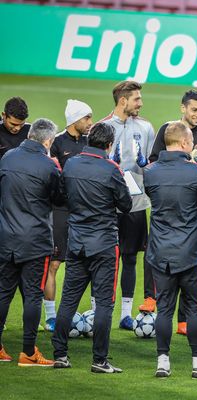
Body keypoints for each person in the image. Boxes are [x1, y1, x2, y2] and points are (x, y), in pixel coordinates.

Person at [52, 122, 132, 373]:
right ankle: (99, 360)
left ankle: (60, 355)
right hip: (104, 245)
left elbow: (62, 195)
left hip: (77, 242)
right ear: (109, 145)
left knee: (68, 301)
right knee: (104, 304)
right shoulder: (111, 169)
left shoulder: (72, 163)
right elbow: (126, 204)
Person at [144, 121, 197, 378]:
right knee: (195, 307)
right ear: (185, 143)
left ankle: (162, 362)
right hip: (190, 250)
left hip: (161, 250)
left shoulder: (151, 171)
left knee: (164, 308)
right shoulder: (196, 171)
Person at [147, 89, 197, 335]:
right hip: (170, 203)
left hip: (195, 207)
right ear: (183, 108)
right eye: (194, 110)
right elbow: (153, 161)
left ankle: (183, 321)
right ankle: (151, 297)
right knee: (168, 256)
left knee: (189, 263)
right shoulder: (168, 130)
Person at [0, 118, 64, 366]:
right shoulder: (49, 167)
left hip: (6, 237)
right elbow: (59, 199)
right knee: (33, 296)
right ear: (48, 140)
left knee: (3, 292)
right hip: (35, 242)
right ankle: (27, 351)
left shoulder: (7, 158)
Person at [101, 80, 155, 330]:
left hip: (134, 204)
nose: (141, 103)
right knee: (104, 258)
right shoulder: (102, 127)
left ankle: (125, 314)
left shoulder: (145, 127)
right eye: (137, 99)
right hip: (107, 205)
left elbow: (151, 166)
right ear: (123, 101)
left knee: (131, 257)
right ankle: (99, 310)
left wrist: (145, 165)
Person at [44, 99, 92, 332]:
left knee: (87, 264)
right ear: (75, 120)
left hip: (83, 211)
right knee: (54, 263)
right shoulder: (57, 143)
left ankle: (88, 314)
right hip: (61, 211)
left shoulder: (89, 142)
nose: (90, 122)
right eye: (87, 118)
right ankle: (51, 316)